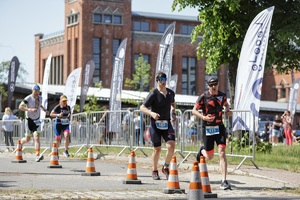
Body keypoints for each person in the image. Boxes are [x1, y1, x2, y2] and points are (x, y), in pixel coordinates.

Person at [192, 77, 232, 190]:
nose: (213, 87)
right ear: (208, 86)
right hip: (208, 128)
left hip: (220, 127)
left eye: (215, 84)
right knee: (209, 156)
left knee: (222, 152)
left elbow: (226, 105)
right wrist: (203, 117)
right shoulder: (203, 97)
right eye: (211, 85)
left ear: (218, 84)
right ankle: (202, 151)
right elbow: (193, 110)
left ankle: (224, 181)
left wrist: (228, 111)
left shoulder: (222, 95)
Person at [140, 71, 176, 180]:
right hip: (155, 124)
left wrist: (173, 111)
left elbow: (173, 103)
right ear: (157, 81)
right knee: (157, 149)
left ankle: (165, 167)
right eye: (161, 80)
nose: (163, 82)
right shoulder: (154, 94)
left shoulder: (170, 93)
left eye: (165, 80)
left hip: (167, 123)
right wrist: (151, 113)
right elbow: (142, 107)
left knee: (171, 145)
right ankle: (154, 170)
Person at [18, 84, 47, 162]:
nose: (37, 93)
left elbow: (39, 105)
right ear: (32, 91)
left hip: (37, 120)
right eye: (35, 91)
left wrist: (44, 109)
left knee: (36, 137)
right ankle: (20, 143)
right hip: (29, 120)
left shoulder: (40, 98)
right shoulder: (28, 98)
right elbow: (20, 107)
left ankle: (37, 155)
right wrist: (29, 109)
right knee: (27, 139)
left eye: (38, 91)